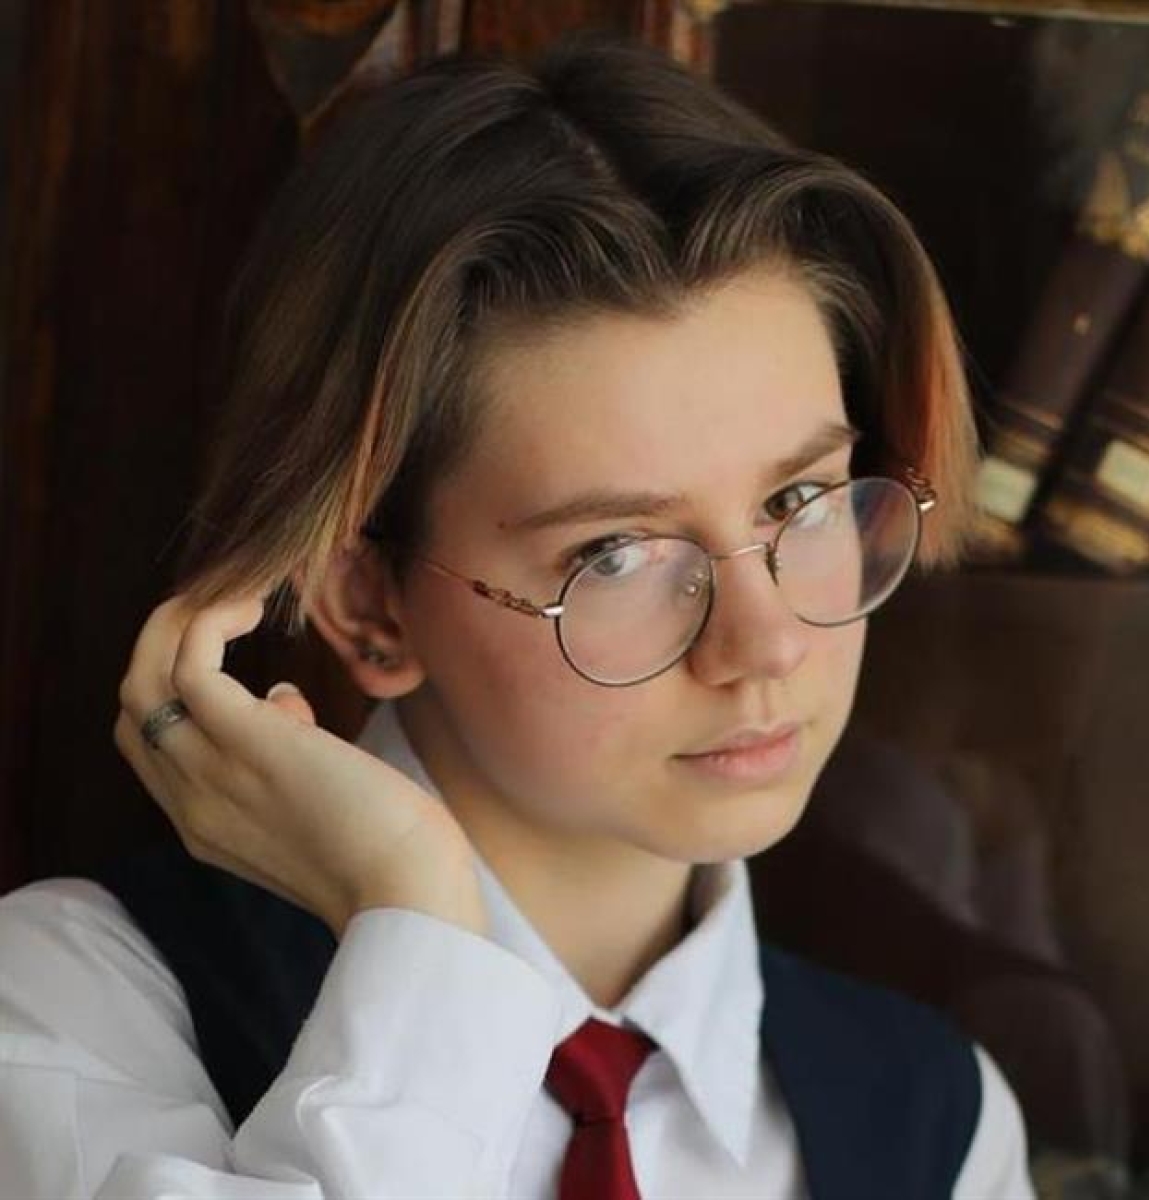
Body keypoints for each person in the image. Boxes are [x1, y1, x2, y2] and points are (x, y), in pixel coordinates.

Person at [0, 32, 1033, 1199]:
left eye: (800, 500)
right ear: (367, 601)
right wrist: (417, 921)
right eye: (617, 553)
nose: (767, 644)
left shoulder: (941, 1123)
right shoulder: (70, 1012)